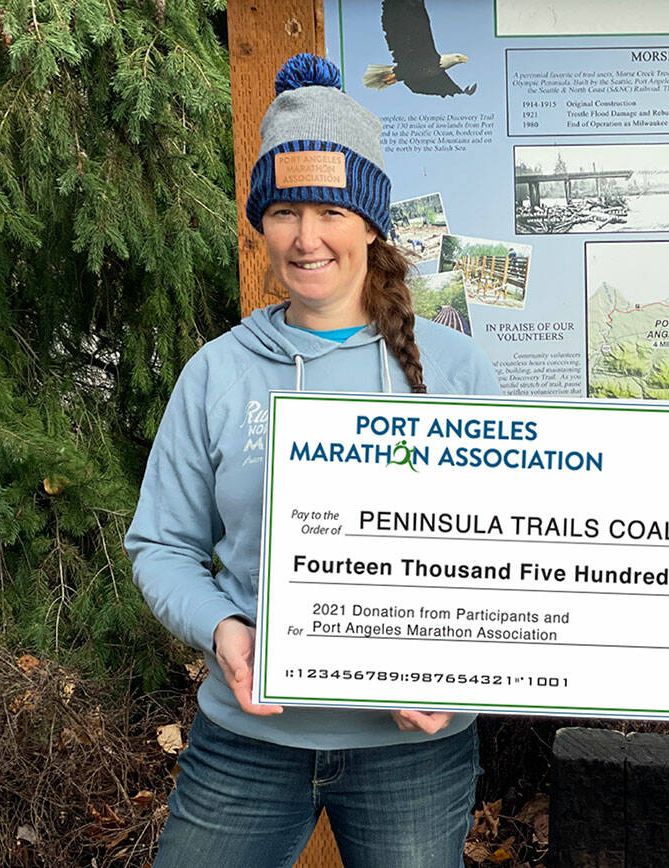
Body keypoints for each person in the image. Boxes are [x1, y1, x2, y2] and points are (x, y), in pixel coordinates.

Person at [125, 53, 499, 867]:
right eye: (283, 210)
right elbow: (161, 546)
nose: (306, 237)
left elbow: (500, 560)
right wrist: (222, 628)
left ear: (369, 221)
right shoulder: (217, 372)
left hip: (412, 751)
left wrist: (456, 675)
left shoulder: (457, 370)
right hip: (246, 739)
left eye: (329, 209)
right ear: (260, 222)